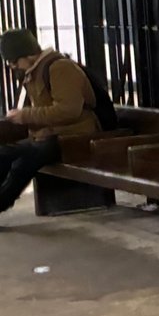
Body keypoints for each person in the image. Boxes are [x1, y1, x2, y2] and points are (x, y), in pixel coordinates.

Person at [1, 30, 103, 214]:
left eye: (15, 61)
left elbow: (68, 111)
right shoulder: (34, 71)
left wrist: (25, 115)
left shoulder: (60, 68)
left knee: (22, 164)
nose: (13, 66)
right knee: (4, 154)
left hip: (75, 135)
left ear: (28, 54)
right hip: (52, 134)